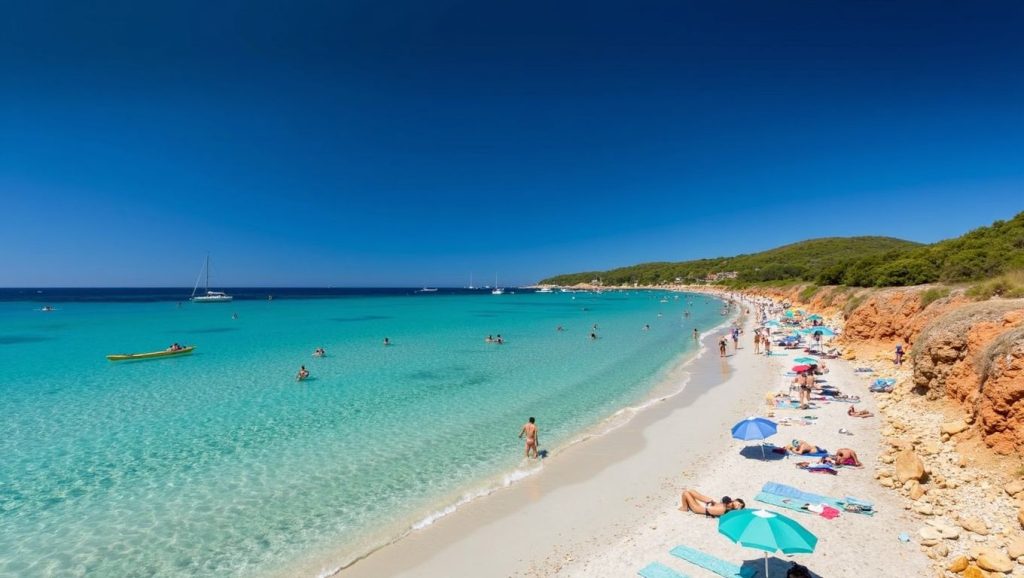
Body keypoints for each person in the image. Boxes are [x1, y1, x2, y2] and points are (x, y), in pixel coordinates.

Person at [679, 489, 746, 517]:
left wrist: (707, 502)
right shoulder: (728, 503)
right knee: (691, 491)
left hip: (698, 508)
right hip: (706, 505)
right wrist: (711, 501)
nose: (738, 505)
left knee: (685, 493)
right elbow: (718, 504)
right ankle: (688, 503)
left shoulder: (726, 510)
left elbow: (709, 509)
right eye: (739, 503)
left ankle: (685, 508)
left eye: (740, 506)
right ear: (735, 500)